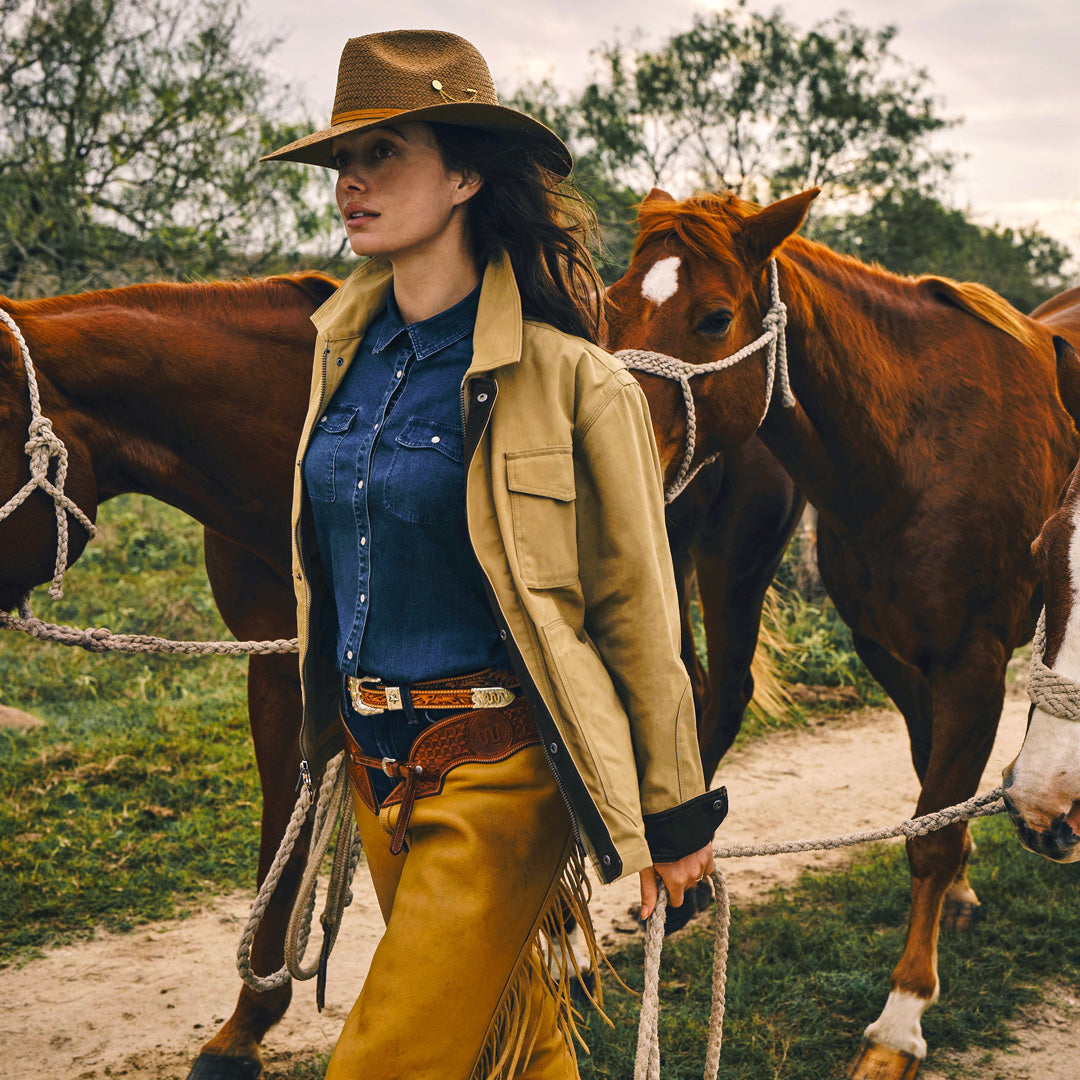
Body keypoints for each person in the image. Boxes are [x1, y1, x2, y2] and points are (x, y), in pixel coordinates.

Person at [262, 28, 726, 1080]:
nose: (351, 183)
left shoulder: (575, 382)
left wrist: (676, 810)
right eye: (342, 161)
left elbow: (636, 611)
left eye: (384, 155)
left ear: (466, 174)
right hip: (379, 770)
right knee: (512, 1038)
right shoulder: (341, 355)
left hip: (501, 770)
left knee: (385, 1060)